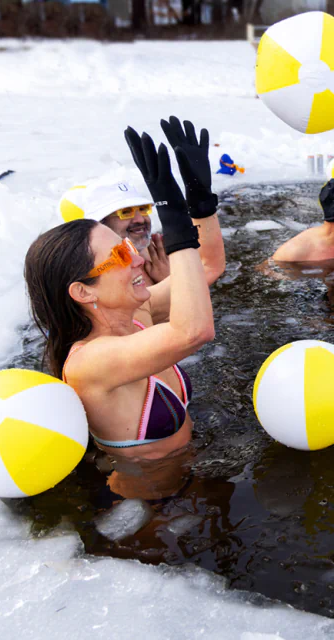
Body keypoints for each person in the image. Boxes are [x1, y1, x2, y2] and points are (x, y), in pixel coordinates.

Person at [24, 123, 220, 460]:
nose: (137, 261)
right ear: (83, 292)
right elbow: (194, 332)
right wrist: (173, 214)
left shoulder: (137, 316)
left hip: (195, 469)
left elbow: (208, 266)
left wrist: (199, 203)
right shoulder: (89, 363)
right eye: (120, 255)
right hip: (151, 493)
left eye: (128, 249)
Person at [59, 116, 224, 296]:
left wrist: (202, 202)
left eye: (143, 209)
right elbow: (148, 310)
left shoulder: (154, 253)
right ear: (99, 224)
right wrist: (170, 281)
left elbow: (208, 266)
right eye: (125, 212)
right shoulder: (98, 275)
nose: (140, 219)